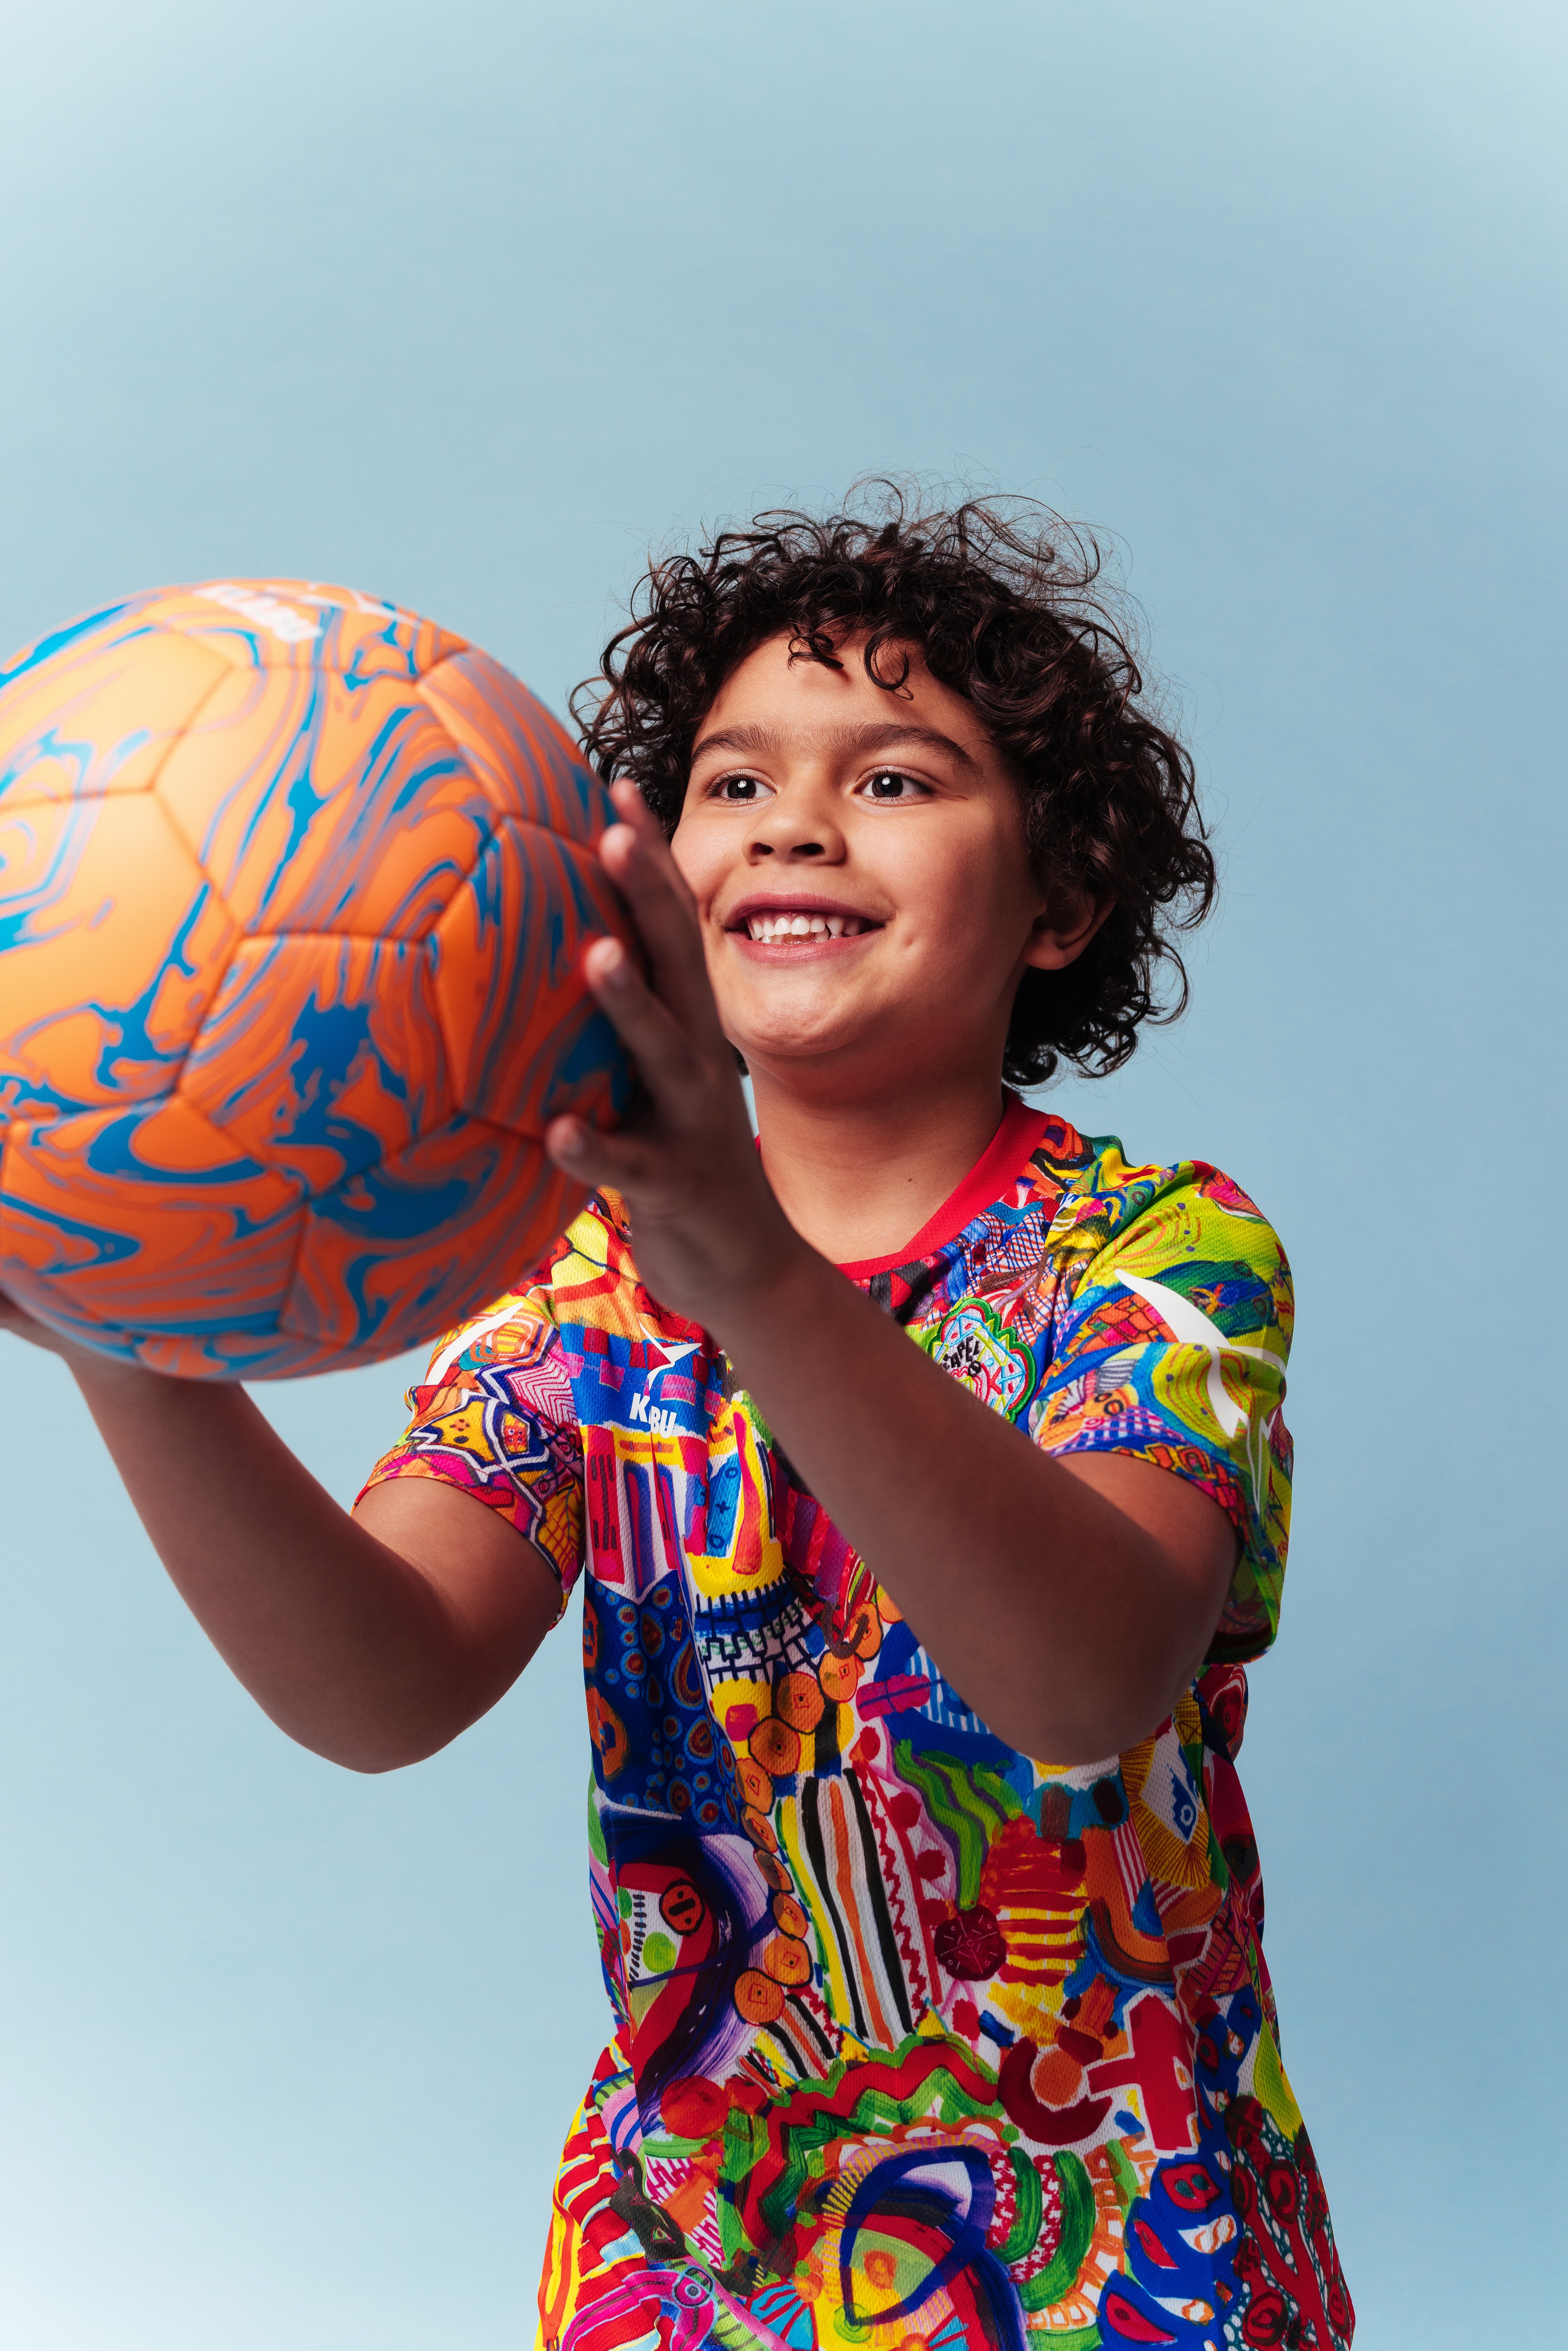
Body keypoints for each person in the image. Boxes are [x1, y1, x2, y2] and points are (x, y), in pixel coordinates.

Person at [0, 496, 1353, 2351]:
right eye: (734, 782)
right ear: (631, 878)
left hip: (1133, 2247)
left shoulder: (1161, 1255)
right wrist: (115, 1320)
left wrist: (751, 1271)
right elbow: (380, 1690)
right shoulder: (568, 1286)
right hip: (694, 2257)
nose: (797, 819)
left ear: (1063, 902)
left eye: (896, 781)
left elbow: (1085, 1680)